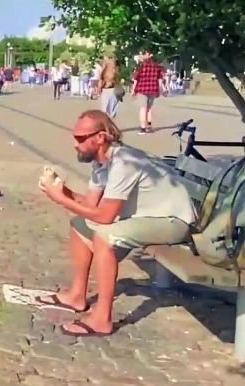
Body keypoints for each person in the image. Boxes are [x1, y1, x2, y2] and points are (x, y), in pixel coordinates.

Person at [37, 110, 195, 337]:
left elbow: (104, 217)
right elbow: (91, 207)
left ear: (100, 137)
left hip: (172, 220)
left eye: (80, 138)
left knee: (105, 237)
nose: (75, 144)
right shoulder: (102, 164)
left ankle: (102, 319)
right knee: (80, 225)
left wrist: (60, 199)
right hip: (148, 217)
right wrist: (64, 192)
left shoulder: (124, 163)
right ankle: (77, 296)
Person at [132, 51, 167, 135]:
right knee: (149, 109)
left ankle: (143, 128)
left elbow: (136, 78)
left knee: (143, 108)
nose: (142, 55)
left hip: (142, 89)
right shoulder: (157, 65)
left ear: (149, 55)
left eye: (144, 53)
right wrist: (160, 88)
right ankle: (149, 126)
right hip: (153, 89)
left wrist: (133, 90)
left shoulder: (140, 65)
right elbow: (160, 78)